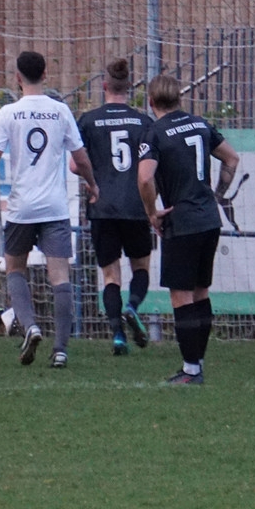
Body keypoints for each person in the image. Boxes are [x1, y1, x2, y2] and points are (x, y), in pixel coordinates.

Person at [0, 51, 99, 368]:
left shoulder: (9, 113)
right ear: (45, 75)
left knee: (14, 270)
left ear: (17, 78)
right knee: (60, 277)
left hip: (22, 208)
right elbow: (81, 158)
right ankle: (60, 349)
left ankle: (31, 327)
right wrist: (93, 184)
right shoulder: (60, 111)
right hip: (54, 208)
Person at [137, 74, 240, 384]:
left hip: (181, 222)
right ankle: (197, 363)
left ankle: (191, 370)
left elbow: (145, 178)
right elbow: (232, 158)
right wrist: (217, 195)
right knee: (201, 292)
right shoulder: (200, 124)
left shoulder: (154, 133)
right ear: (179, 99)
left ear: (150, 102)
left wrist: (152, 213)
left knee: (181, 297)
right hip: (209, 220)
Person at [73, 58, 153, 355]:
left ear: (104, 86)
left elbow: (74, 165)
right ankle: (132, 307)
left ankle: (118, 335)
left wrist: (91, 178)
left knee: (110, 276)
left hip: (102, 206)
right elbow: (151, 167)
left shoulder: (88, 120)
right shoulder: (143, 122)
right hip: (135, 205)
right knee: (140, 266)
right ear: (129, 87)